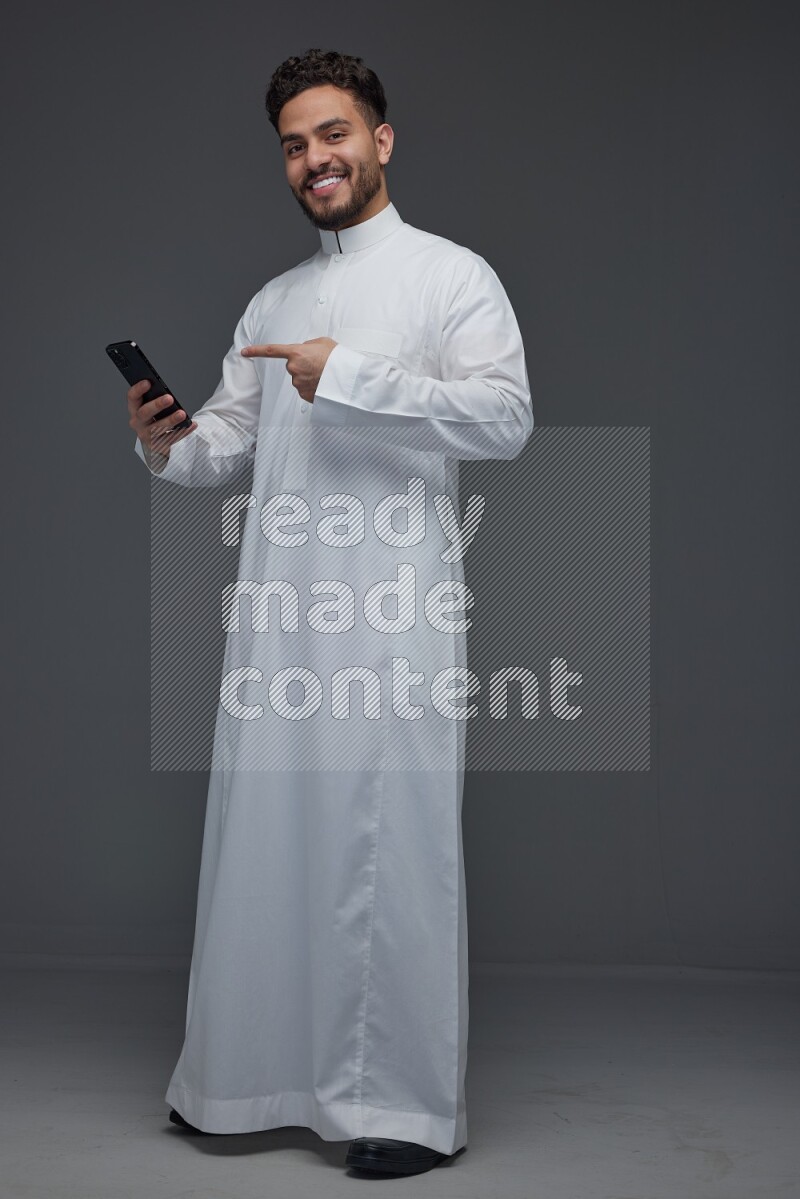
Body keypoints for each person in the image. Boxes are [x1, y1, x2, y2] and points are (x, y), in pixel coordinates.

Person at [127, 47, 533, 1177]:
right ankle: (237, 1081)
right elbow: (226, 444)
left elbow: (503, 419)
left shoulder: (452, 276)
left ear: (380, 140)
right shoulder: (275, 298)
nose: (315, 159)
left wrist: (347, 374)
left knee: (387, 851)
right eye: (296, 145)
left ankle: (398, 1111)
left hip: (392, 619)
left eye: (333, 134)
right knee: (262, 844)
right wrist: (168, 440)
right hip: (278, 618)